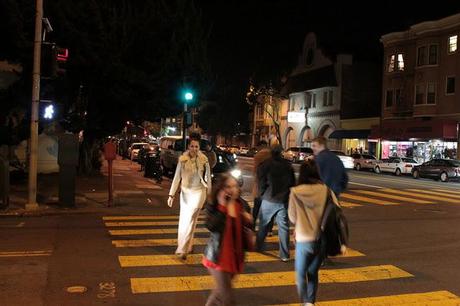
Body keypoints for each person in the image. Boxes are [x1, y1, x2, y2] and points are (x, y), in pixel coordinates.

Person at [288, 160, 342, 306]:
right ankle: (310, 302)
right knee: (313, 272)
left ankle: (305, 301)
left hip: (302, 239)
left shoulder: (295, 192)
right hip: (320, 239)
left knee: (300, 275)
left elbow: (292, 217)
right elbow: (337, 210)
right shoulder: (326, 190)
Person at [202, 174, 253, 306]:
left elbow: (248, 226)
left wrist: (247, 219)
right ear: (220, 189)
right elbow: (211, 226)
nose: (232, 189)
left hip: (235, 257)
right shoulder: (215, 205)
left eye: (235, 186)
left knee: (218, 294)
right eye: (228, 186)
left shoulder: (241, 204)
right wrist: (223, 207)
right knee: (228, 300)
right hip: (219, 259)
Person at [168, 133, 212, 259]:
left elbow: (208, 179)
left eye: (196, 147)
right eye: (192, 146)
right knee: (185, 221)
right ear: (188, 147)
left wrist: (209, 196)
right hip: (185, 193)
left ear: (199, 148)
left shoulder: (204, 160)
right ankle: (190, 245)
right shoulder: (182, 160)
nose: (194, 149)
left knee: (190, 220)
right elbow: (177, 177)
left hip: (199, 193)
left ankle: (182, 249)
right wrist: (171, 195)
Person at [256, 145, 295, 261]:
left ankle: (259, 246)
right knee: (283, 227)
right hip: (283, 200)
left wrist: (262, 193)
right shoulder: (288, 165)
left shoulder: (265, 165)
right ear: (281, 153)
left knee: (263, 224)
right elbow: (292, 182)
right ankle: (284, 254)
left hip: (269, 198)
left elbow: (261, 181)